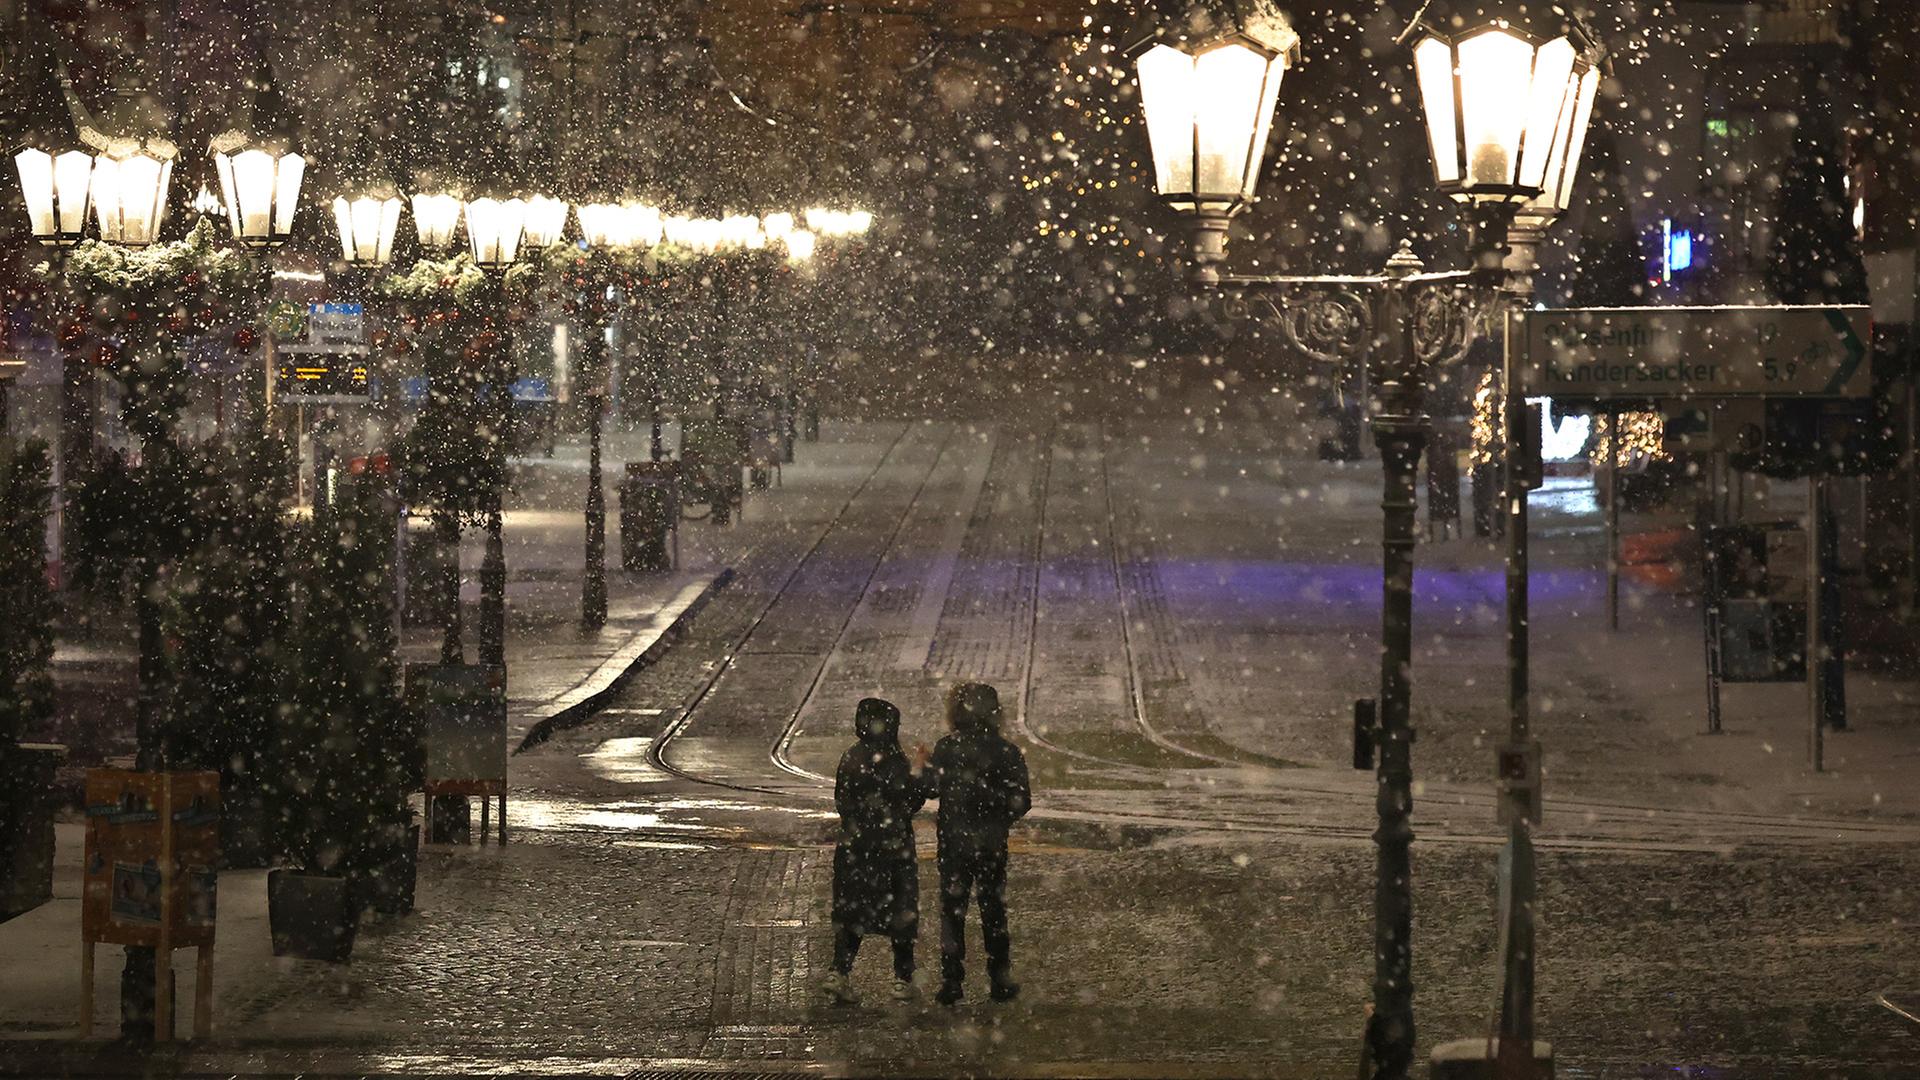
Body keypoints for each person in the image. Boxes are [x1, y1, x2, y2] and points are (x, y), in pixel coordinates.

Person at [919, 682, 1031, 1005]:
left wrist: (923, 766)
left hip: (953, 843)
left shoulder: (946, 748)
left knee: (953, 911)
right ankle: (999, 978)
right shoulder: (1006, 752)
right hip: (991, 844)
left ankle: (952, 981)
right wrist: (999, 819)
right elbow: (1021, 800)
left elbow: (930, 789)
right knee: (993, 910)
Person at [824, 697, 925, 1005]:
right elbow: (910, 802)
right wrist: (920, 771)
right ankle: (902, 979)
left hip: (855, 849)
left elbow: (842, 801)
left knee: (853, 910)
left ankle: (839, 971)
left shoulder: (850, 756)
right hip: (892, 851)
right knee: (901, 912)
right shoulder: (894, 759)